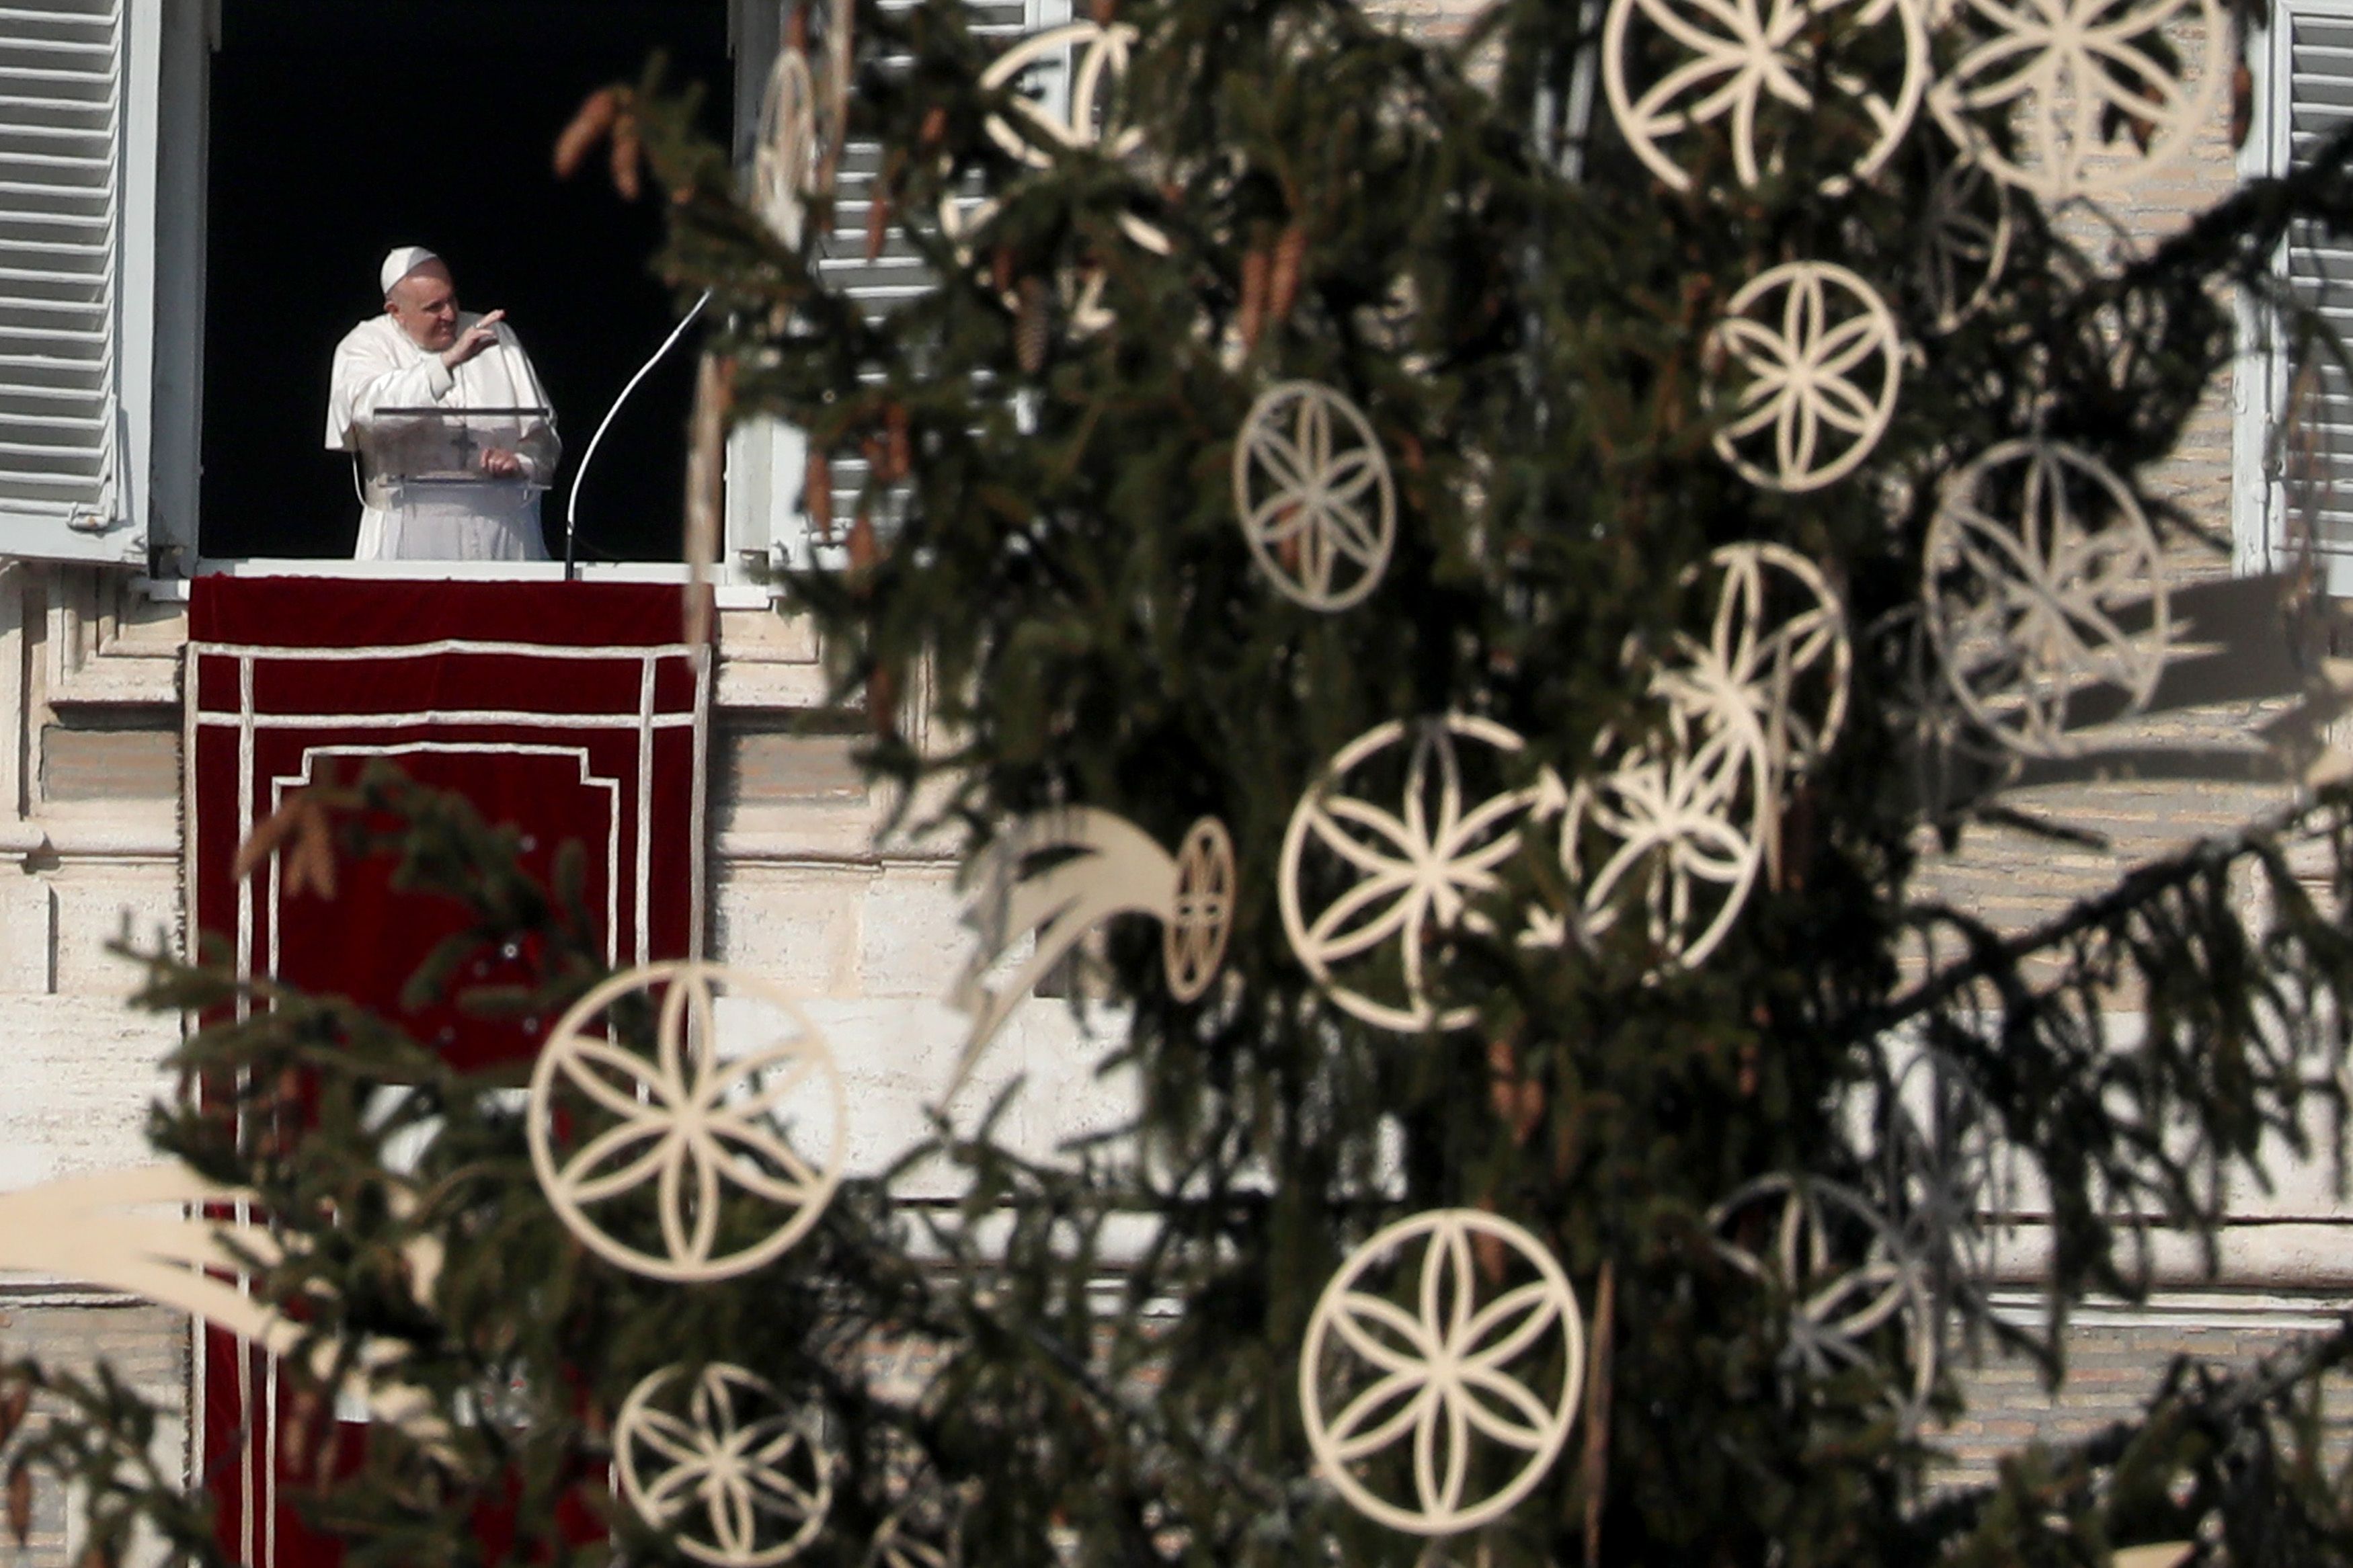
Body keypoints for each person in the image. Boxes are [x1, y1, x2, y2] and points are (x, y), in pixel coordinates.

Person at [325, 247, 561, 561]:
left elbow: (544, 437)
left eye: (451, 299)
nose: (450, 315)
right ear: (396, 311)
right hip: (407, 533)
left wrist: (521, 463)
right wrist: (447, 364)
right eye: (433, 307)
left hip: (503, 535)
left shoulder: (495, 335)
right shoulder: (365, 345)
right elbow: (368, 414)